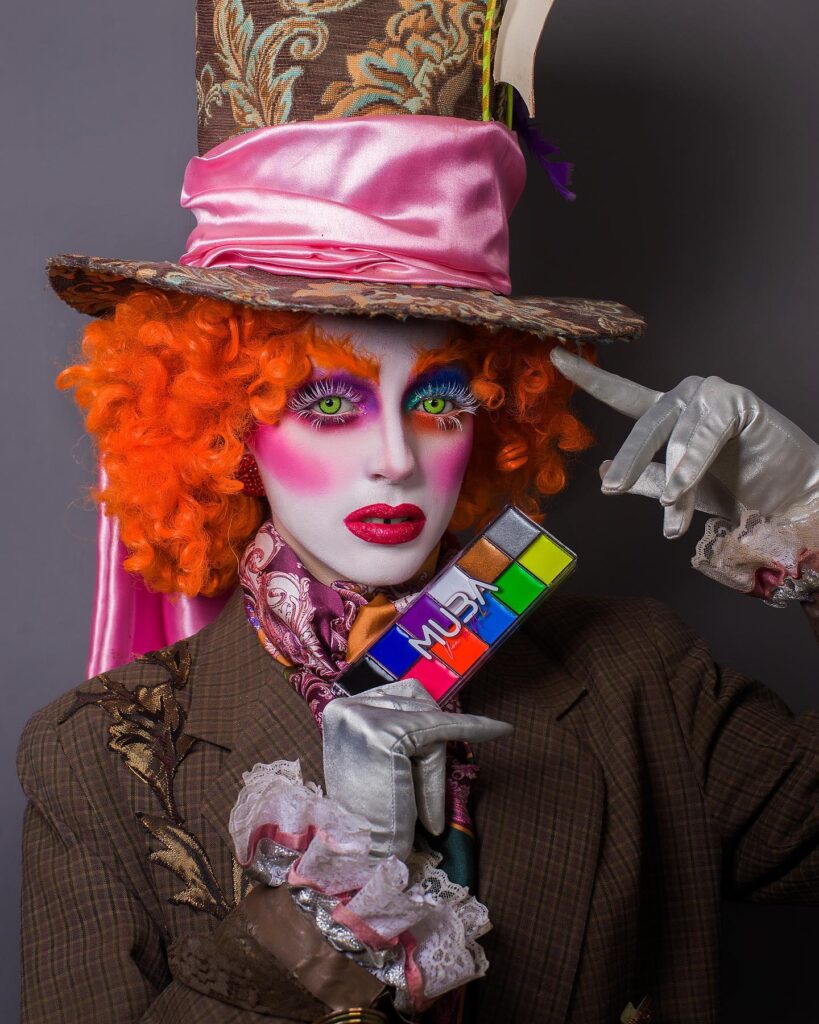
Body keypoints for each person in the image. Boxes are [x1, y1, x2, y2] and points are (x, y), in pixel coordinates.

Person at [18, 1, 818, 1022]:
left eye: (438, 400)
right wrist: (318, 912)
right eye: (329, 401)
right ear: (227, 424)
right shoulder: (96, 756)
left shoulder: (642, 680)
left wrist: (814, 514)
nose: (395, 458)